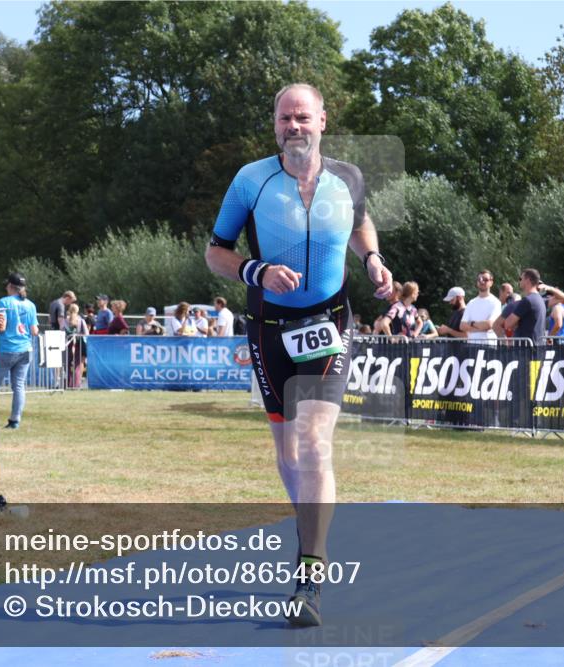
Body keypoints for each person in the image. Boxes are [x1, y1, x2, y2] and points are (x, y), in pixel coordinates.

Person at [205, 83, 392, 627]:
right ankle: (310, 522)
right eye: (285, 118)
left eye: (303, 117)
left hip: (329, 324)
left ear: (322, 122)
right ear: (275, 125)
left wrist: (374, 259)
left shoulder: (348, 178)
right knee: (290, 455)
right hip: (269, 328)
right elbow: (216, 252)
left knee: (313, 443)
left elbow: (359, 222)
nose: (294, 126)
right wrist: (255, 271)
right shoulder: (250, 180)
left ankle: (310, 571)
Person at [0, 272, 39, 429]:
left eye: (7, 285)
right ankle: (15, 420)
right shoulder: (30, 305)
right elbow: (34, 331)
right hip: (25, 350)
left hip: (7, 348)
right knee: (18, 386)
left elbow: (0, 326)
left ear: (11, 286)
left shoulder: (4, 302)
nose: (5, 287)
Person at [500, 269, 563, 345]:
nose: (519, 281)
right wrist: (550, 288)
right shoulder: (540, 300)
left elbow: (507, 324)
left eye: (521, 279)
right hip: (538, 347)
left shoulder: (527, 301)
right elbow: (563, 297)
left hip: (525, 350)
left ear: (527, 280)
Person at [460, 270, 501, 343]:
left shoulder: (496, 302)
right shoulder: (471, 302)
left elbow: (490, 324)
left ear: (491, 282)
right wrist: (481, 328)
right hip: (472, 345)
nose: (482, 281)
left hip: (489, 345)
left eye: (485, 279)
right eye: (480, 279)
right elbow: (462, 326)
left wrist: (472, 323)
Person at [64, 303, 89, 388]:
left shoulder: (66, 320)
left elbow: (62, 331)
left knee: (67, 364)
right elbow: (86, 333)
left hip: (68, 344)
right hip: (78, 345)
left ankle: (68, 383)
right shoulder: (81, 320)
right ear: (77, 310)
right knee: (77, 365)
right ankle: (76, 384)